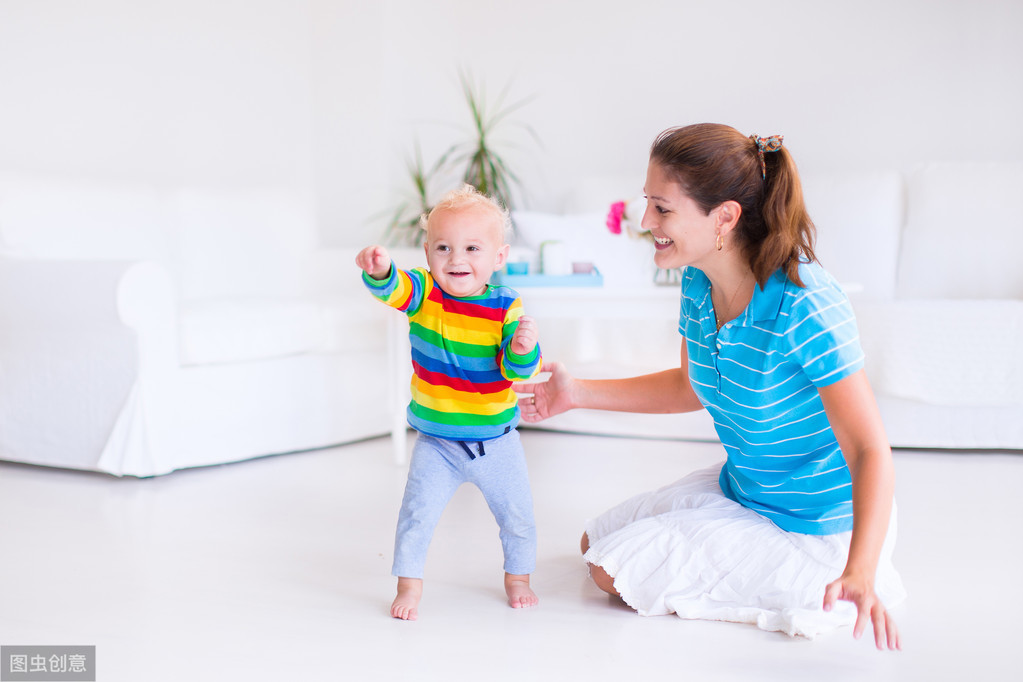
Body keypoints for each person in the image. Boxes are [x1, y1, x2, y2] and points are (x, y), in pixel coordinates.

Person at [515, 123, 906, 648]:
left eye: (663, 208)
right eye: (647, 203)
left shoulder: (806, 304)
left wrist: (861, 567)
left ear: (724, 216)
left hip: (817, 528)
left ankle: (828, 582)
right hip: (746, 492)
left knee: (609, 572)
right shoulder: (698, 279)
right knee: (594, 542)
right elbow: (690, 385)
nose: (646, 221)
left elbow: (869, 450)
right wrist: (576, 393)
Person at [356, 185, 542, 621]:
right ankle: (409, 585)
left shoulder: (505, 305)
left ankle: (518, 577)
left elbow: (518, 370)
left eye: (472, 248)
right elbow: (393, 289)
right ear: (427, 253)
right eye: (444, 247)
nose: (457, 259)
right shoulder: (424, 294)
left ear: (498, 257)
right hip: (436, 444)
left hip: (496, 443)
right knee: (416, 517)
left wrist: (521, 346)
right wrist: (382, 271)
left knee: (518, 516)